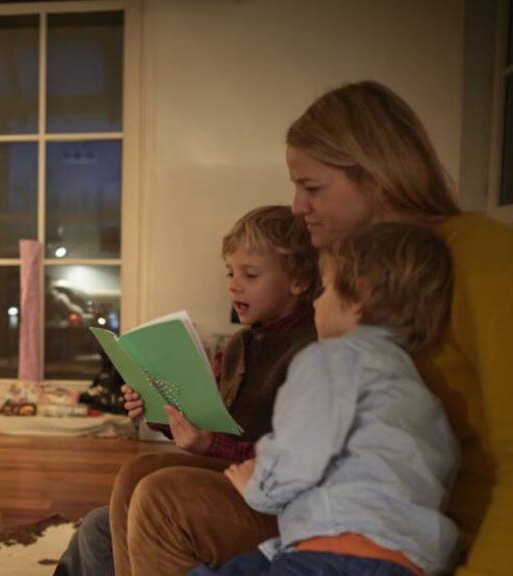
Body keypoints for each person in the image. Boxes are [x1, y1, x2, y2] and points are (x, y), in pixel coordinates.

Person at [115, 80, 513, 576]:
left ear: (375, 176)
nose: (298, 206)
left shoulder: (480, 254)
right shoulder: (350, 284)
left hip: (386, 525)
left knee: (162, 498)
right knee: (142, 472)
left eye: (312, 187)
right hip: (358, 495)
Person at [54, 205, 320, 576]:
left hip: (271, 497)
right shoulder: (239, 345)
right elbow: (203, 417)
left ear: (298, 281)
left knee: (153, 492)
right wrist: (158, 408)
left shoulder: (312, 350)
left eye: (250, 274)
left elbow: (286, 455)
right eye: (230, 272)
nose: (233, 284)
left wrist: (209, 444)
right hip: (230, 471)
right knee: (135, 472)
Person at [191, 222, 459, 576]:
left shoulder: (333, 358)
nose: (316, 301)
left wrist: (256, 485)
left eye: (326, 288)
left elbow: (299, 448)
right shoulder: (421, 392)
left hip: (337, 553)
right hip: (409, 562)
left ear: (358, 299)